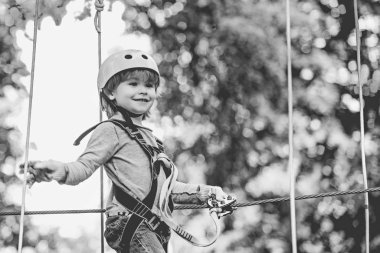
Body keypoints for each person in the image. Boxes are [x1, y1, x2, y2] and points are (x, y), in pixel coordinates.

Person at [21, 49, 233, 253]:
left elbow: (164, 191)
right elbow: (83, 167)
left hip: (154, 227)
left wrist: (208, 194)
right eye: (133, 84)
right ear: (111, 92)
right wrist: (59, 170)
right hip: (129, 222)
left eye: (149, 85)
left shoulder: (153, 140)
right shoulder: (110, 130)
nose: (143, 90)